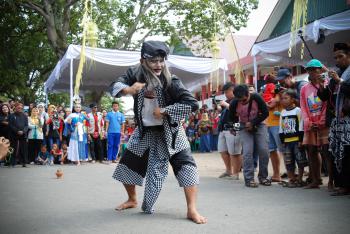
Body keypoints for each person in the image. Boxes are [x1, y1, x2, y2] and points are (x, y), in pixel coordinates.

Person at [110, 40, 206, 224]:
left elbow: (192, 103)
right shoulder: (134, 74)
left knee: (187, 168)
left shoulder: (171, 80)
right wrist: (129, 89)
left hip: (171, 133)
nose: (159, 65)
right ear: (143, 61)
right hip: (145, 131)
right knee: (126, 166)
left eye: (162, 60)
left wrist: (165, 110)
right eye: (154, 61)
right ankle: (132, 199)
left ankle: (191, 209)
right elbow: (117, 83)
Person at [228, 84, 270, 188]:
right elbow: (232, 119)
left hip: (259, 124)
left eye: (244, 99)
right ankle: (249, 179)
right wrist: (235, 128)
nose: (242, 102)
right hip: (243, 126)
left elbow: (265, 113)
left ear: (248, 94)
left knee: (263, 150)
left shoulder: (256, 97)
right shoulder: (234, 102)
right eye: (239, 100)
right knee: (247, 151)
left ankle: (263, 177)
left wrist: (253, 122)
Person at [300, 59, 328, 189]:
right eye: (309, 70)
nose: (312, 72)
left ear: (320, 70)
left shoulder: (327, 84)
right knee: (311, 151)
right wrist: (307, 121)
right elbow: (303, 106)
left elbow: (327, 104)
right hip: (310, 124)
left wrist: (322, 121)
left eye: (315, 69)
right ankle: (316, 180)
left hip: (324, 123)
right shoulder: (304, 88)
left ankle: (332, 181)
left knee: (327, 152)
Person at [328, 43, 350, 196]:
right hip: (338, 120)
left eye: (340, 56)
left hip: (348, 120)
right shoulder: (338, 73)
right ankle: (341, 184)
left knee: (347, 153)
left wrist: (340, 81)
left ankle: (346, 186)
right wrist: (323, 85)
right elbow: (327, 96)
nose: (338, 60)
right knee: (337, 153)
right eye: (335, 57)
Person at [279, 89, 308, 187]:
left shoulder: (298, 111)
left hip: (296, 140)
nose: (283, 100)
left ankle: (300, 178)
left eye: (286, 98)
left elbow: (301, 126)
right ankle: (292, 179)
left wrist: (301, 140)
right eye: (282, 98)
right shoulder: (282, 112)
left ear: (292, 99)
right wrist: (282, 140)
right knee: (288, 161)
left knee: (300, 160)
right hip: (287, 142)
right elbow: (281, 128)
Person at [217, 82, 242, 180]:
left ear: (233, 90)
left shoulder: (238, 100)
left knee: (235, 152)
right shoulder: (228, 100)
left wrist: (225, 104)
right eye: (225, 92)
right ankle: (228, 170)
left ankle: (236, 173)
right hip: (223, 128)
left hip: (234, 128)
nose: (226, 94)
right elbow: (221, 111)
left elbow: (237, 112)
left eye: (228, 91)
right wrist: (219, 106)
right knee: (223, 150)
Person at [65, 99, 89, 166]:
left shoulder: (83, 115)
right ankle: (76, 160)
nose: (78, 108)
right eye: (76, 107)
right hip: (75, 132)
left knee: (80, 145)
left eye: (79, 107)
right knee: (75, 145)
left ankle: (79, 159)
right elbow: (65, 121)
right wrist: (70, 123)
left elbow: (89, 120)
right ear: (74, 108)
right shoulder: (72, 115)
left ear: (81, 108)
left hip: (81, 132)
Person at [8, 102, 28, 167]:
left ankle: (24, 162)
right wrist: (17, 131)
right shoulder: (11, 115)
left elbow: (26, 126)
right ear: (15, 108)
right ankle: (12, 162)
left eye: (21, 108)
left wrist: (23, 131)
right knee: (13, 148)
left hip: (23, 134)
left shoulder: (25, 116)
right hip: (14, 134)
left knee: (23, 149)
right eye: (18, 107)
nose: (20, 109)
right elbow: (11, 125)